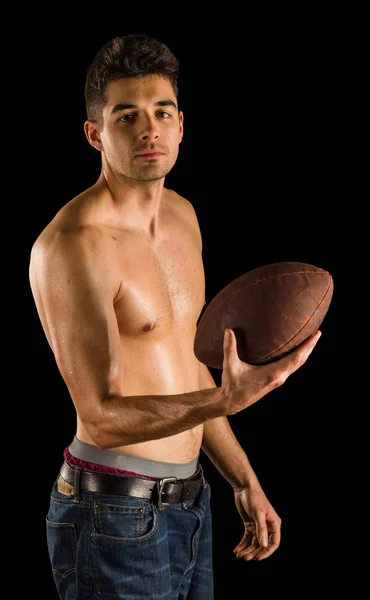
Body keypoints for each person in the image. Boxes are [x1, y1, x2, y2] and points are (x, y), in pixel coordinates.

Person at [29, 34, 321, 600]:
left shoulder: (185, 218)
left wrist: (244, 480)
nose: (149, 129)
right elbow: (101, 415)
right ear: (95, 134)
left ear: (181, 125)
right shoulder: (72, 245)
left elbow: (187, 373)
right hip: (111, 511)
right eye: (126, 116)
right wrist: (226, 400)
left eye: (162, 112)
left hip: (191, 503)